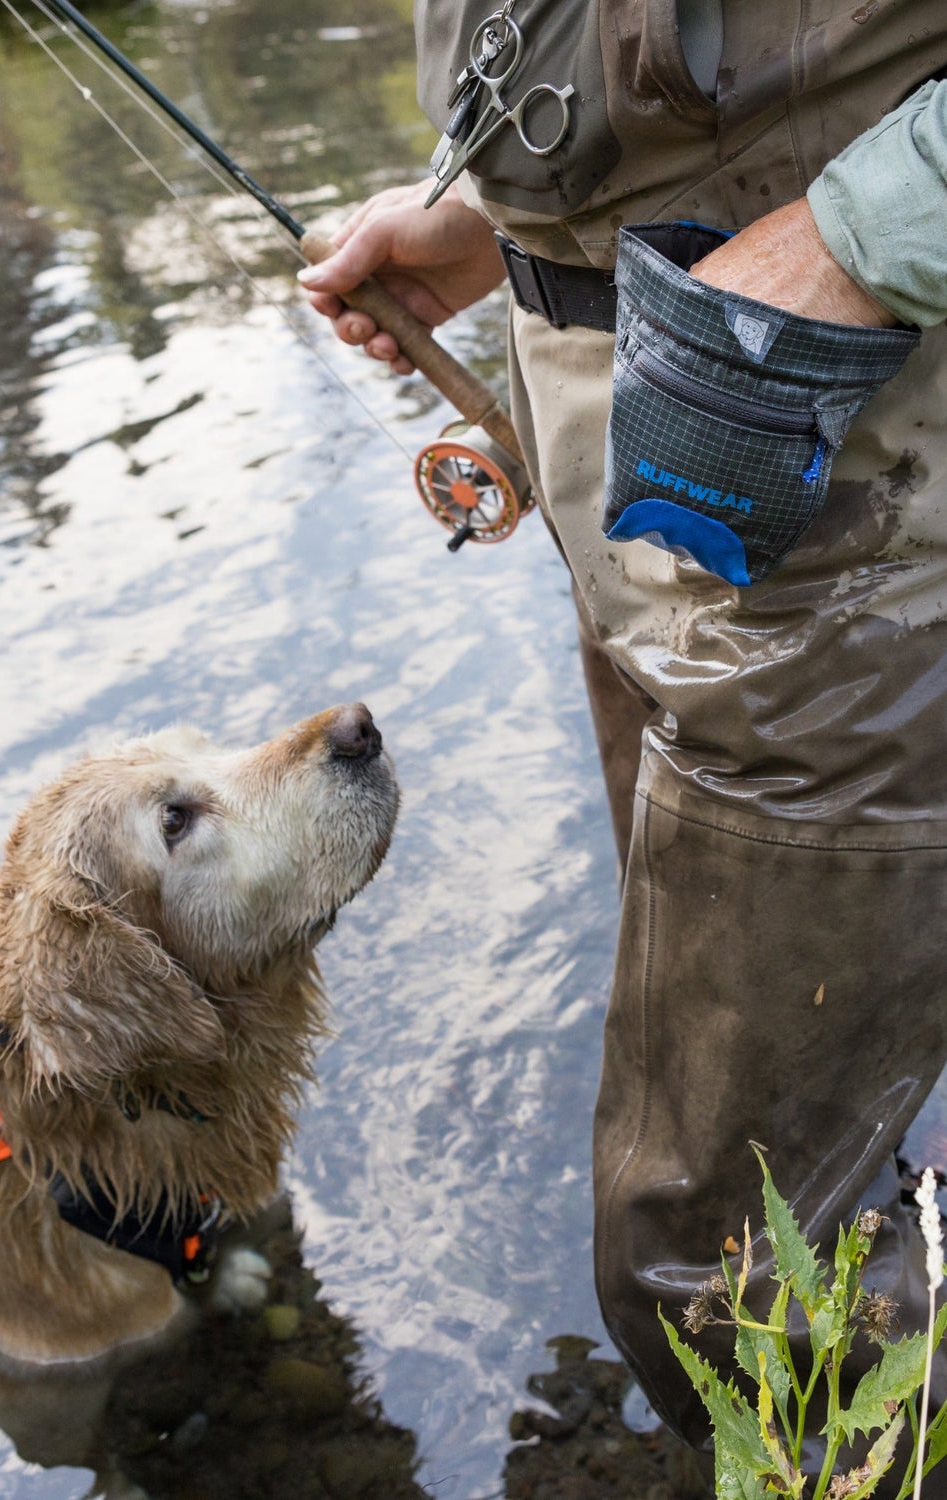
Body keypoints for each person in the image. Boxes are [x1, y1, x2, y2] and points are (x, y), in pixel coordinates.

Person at [299, 0, 947, 1466]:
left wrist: (870, 229)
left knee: (724, 1276)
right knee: (807, 1120)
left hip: (870, 487)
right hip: (649, 465)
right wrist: (505, 212)